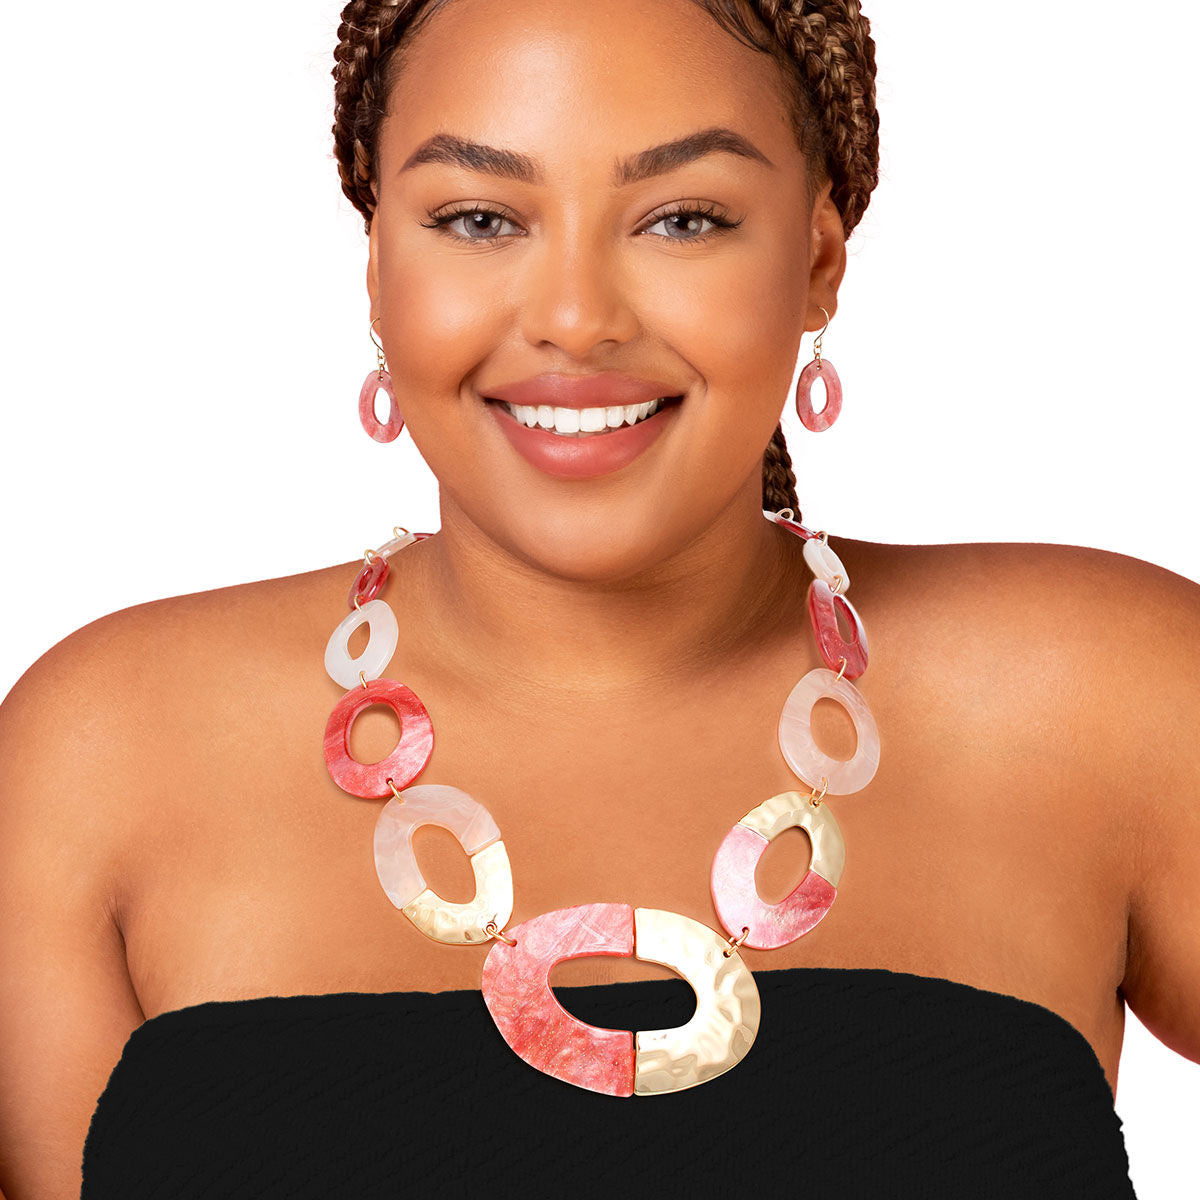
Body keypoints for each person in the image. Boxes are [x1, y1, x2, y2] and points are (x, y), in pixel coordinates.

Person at [1, 0, 1197, 1196]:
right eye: (479, 219)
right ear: (378, 268)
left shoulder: (1102, 699)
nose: (575, 319)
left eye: (683, 219)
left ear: (818, 260)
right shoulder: (103, 754)